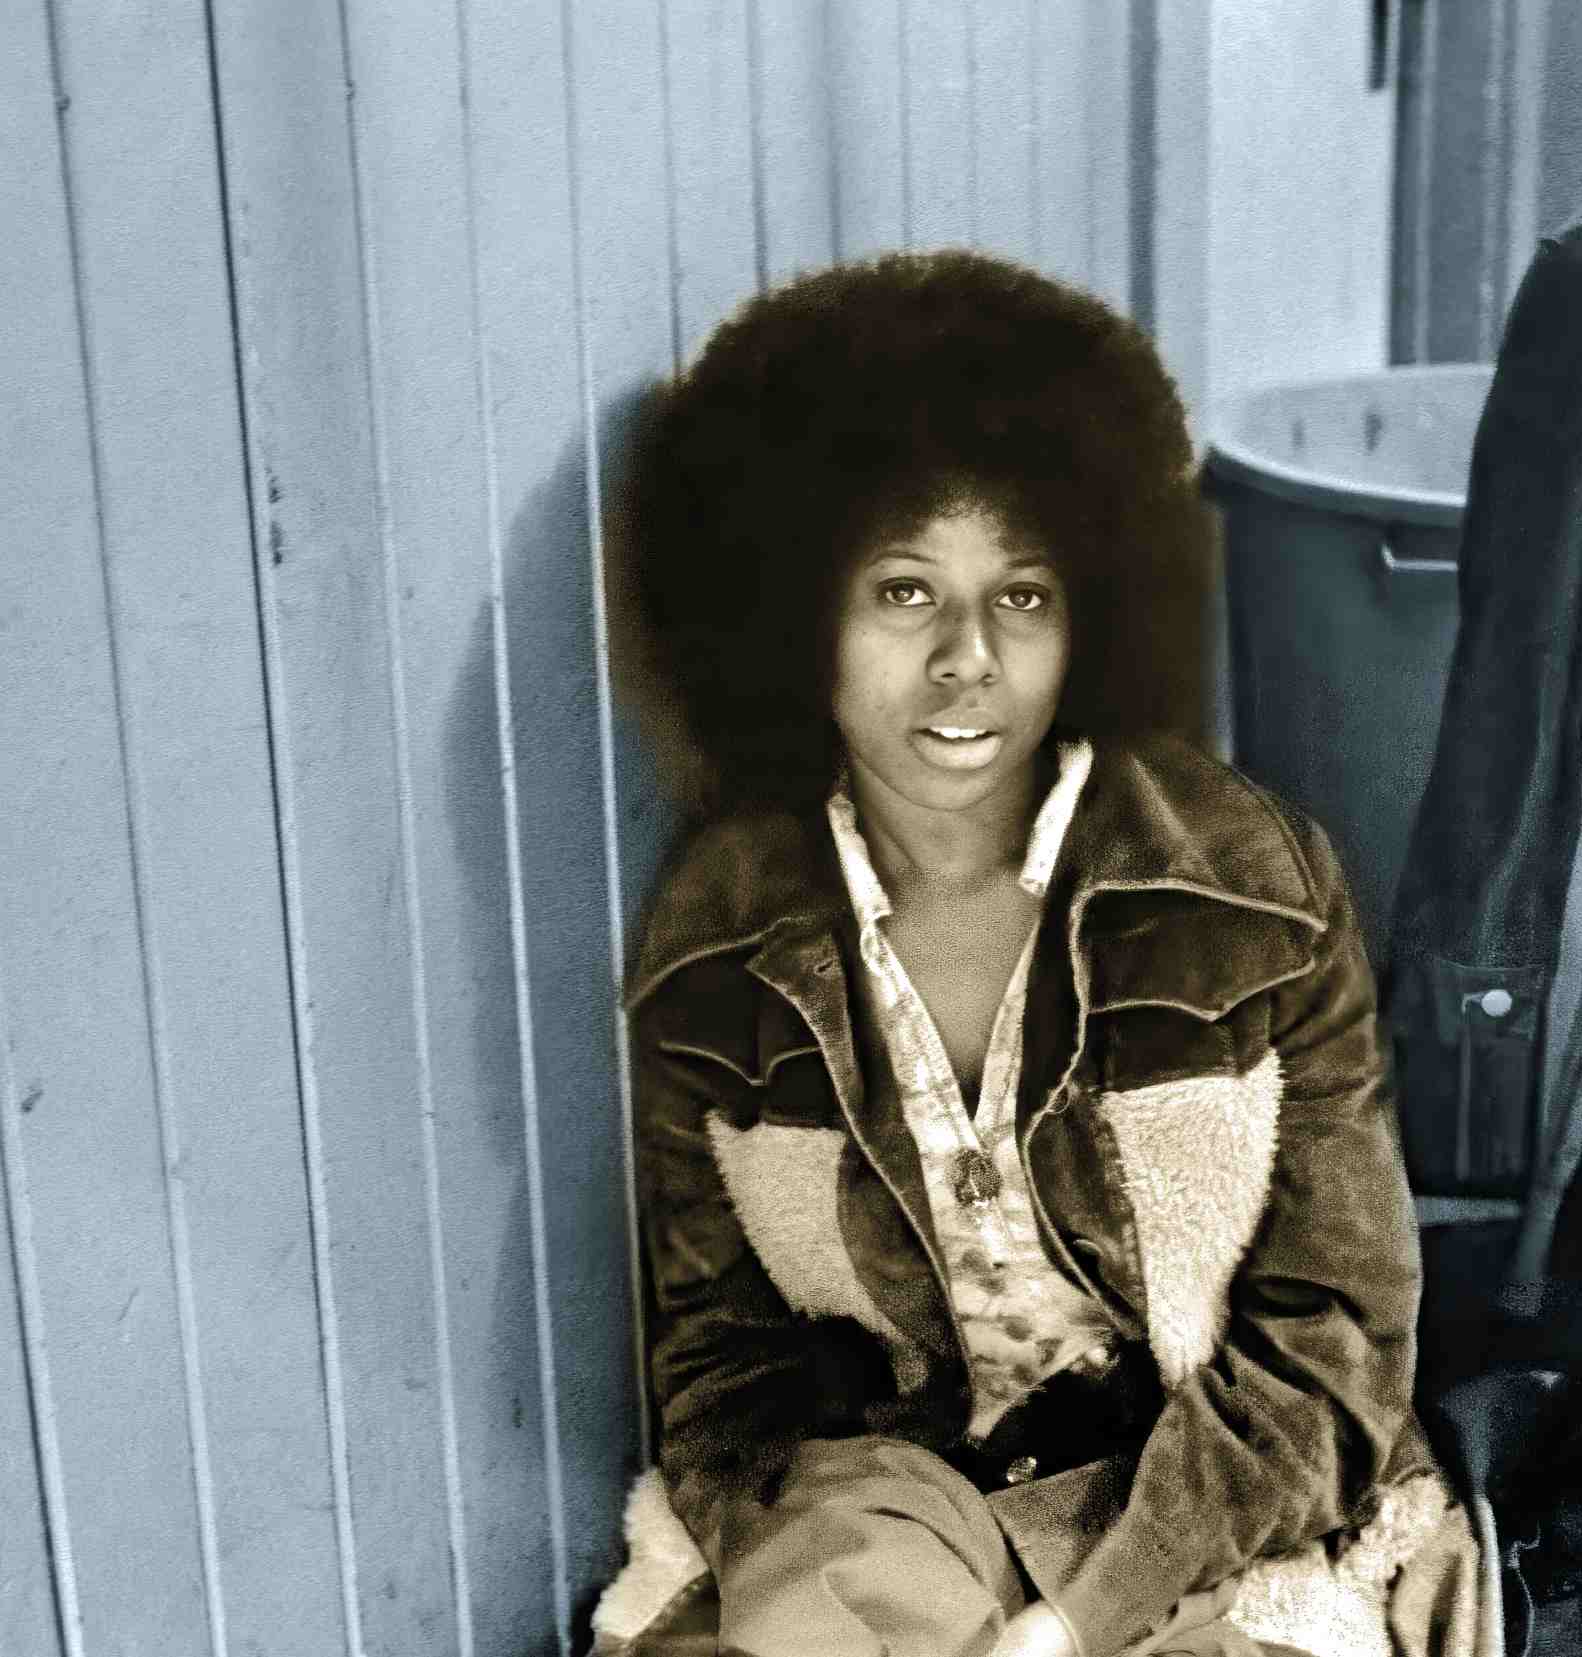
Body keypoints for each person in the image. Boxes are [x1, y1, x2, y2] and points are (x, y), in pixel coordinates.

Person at [598, 251, 1473, 1657]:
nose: (967, 658)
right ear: (800, 616)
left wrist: (1076, 1617)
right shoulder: (719, 944)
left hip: (1195, 1485)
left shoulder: (1249, 893)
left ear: (1092, 617)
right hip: (894, 1492)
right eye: (903, 593)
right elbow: (720, 1369)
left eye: (1020, 596)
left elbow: (1336, 1351)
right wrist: (829, 1555)